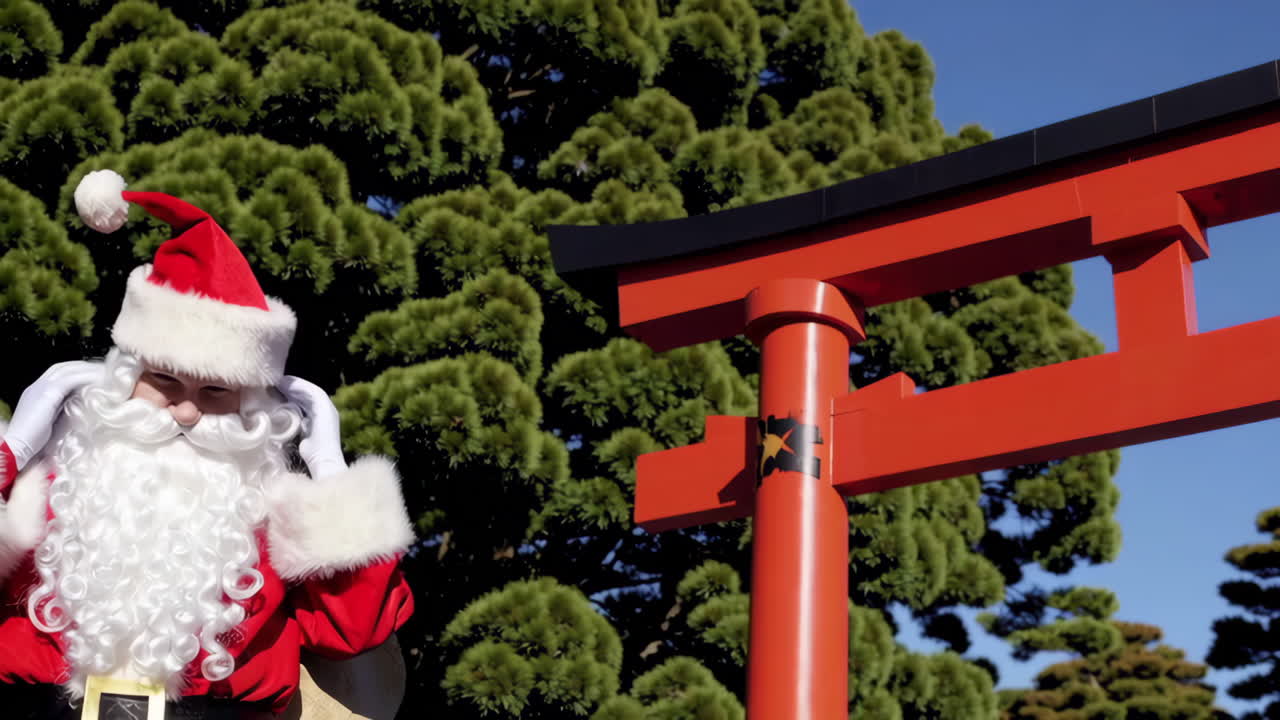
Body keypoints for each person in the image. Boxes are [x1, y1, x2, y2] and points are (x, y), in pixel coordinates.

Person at [0, 171, 415, 719]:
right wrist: (16, 447)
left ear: (249, 404)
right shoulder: (47, 490)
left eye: (215, 391)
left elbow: (355, 631)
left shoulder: (276, 514)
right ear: (121, 379)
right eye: (166, 382)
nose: (188, 411)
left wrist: (330, 471)